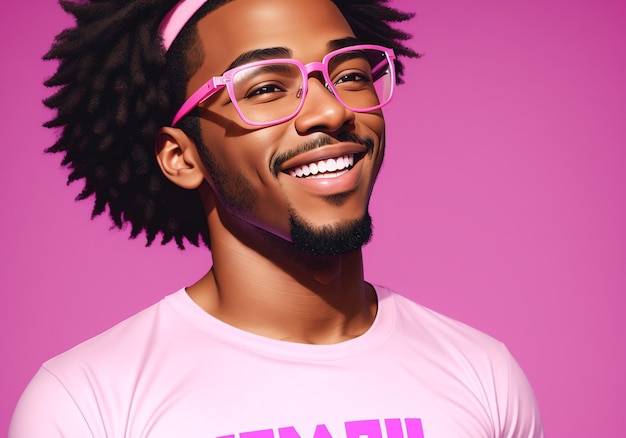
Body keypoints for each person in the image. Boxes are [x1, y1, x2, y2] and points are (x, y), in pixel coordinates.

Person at [9, 0, 544, 436]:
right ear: (182, 156)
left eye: (350, 74)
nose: (331, 111)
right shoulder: (86, 404)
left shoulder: (484, 376)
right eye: (265, 88)